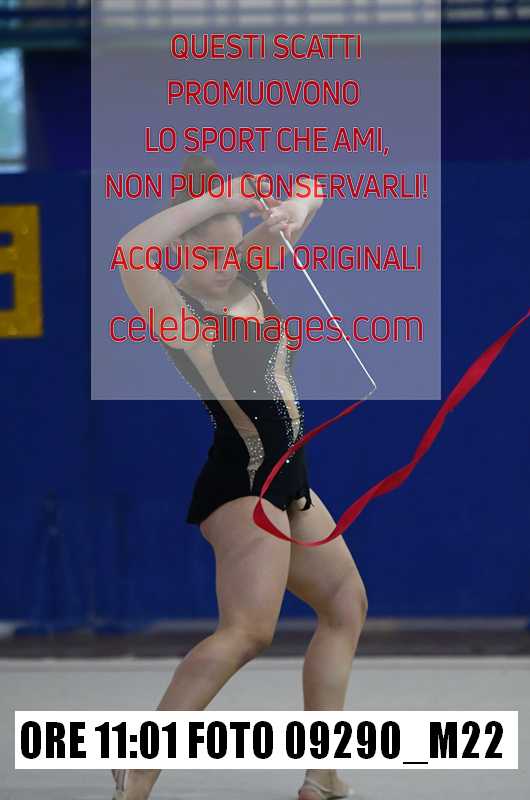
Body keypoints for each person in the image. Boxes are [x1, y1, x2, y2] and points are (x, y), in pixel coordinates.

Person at [112, 156, 367, 800]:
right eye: (208, 251)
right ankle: (138, 766)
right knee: (248, 632)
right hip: (245, 480)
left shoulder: (248, 270)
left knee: (345, 605)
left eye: (233, 249)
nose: (225, 262)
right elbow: (129, 252)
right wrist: (215, 199)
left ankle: (322, 772)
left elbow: (313, 188)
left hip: (291, 479)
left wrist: (290, 211)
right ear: (182, 248)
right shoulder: (175, 307)